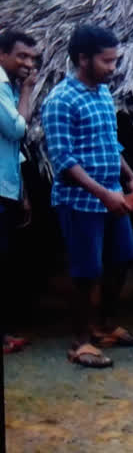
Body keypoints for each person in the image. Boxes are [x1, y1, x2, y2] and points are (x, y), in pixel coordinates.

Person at [42, 25, 133, 368]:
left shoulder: (102, 93)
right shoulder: (60, 100)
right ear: (82, 58)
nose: (112, 69)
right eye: (107, 61)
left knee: (124, 258)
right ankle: (80, 342)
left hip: (111, 196)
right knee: (87, 272)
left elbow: (109, 143)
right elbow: (63, 160)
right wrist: (104, 194)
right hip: (80, 201)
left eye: (115, 61)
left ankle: (104, 326)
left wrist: (129, 178)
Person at [0, 30, 38, 354]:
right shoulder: (1, 87)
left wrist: (21, 191)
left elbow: (13, 149)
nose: (27, 63)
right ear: (2, 55)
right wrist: (27, 92)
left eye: (31, 58)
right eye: (21, 56)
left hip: (7, 188)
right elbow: (17, 128)